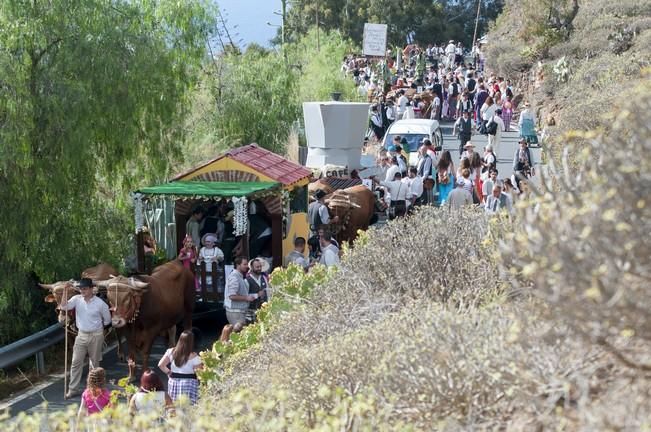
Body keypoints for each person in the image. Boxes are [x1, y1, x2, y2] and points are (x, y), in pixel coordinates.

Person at [60, 278, 111, 399]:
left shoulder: (100, 303)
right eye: (80, 288)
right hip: (81, 334)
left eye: (85, 288)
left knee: (94, 364)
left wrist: (98, 330)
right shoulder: (76, 300)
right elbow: (63, 306)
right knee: (75, 362)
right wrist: (65, 291)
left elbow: (108, 320)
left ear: (91, 289)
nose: (82, 290)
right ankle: (73, 389)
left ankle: (92, 389)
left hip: (96, 335)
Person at [158, 330, 202, 405]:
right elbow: (199, 374)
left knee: (175, 406)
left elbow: (160, 365)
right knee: (188, 407)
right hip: (189, 384)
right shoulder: (195, 357)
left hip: (174, 382)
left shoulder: (171, 351)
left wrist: (169, 372)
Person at [223, 256, 257, 327]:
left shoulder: (239, 276)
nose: (247, 266)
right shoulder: (234, 277)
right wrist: (246, 298)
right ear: (238, 265)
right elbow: (232, 296)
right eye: (244, 264)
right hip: (235, 312)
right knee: (237, 335)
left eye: (247, 264)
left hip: (238, 311)